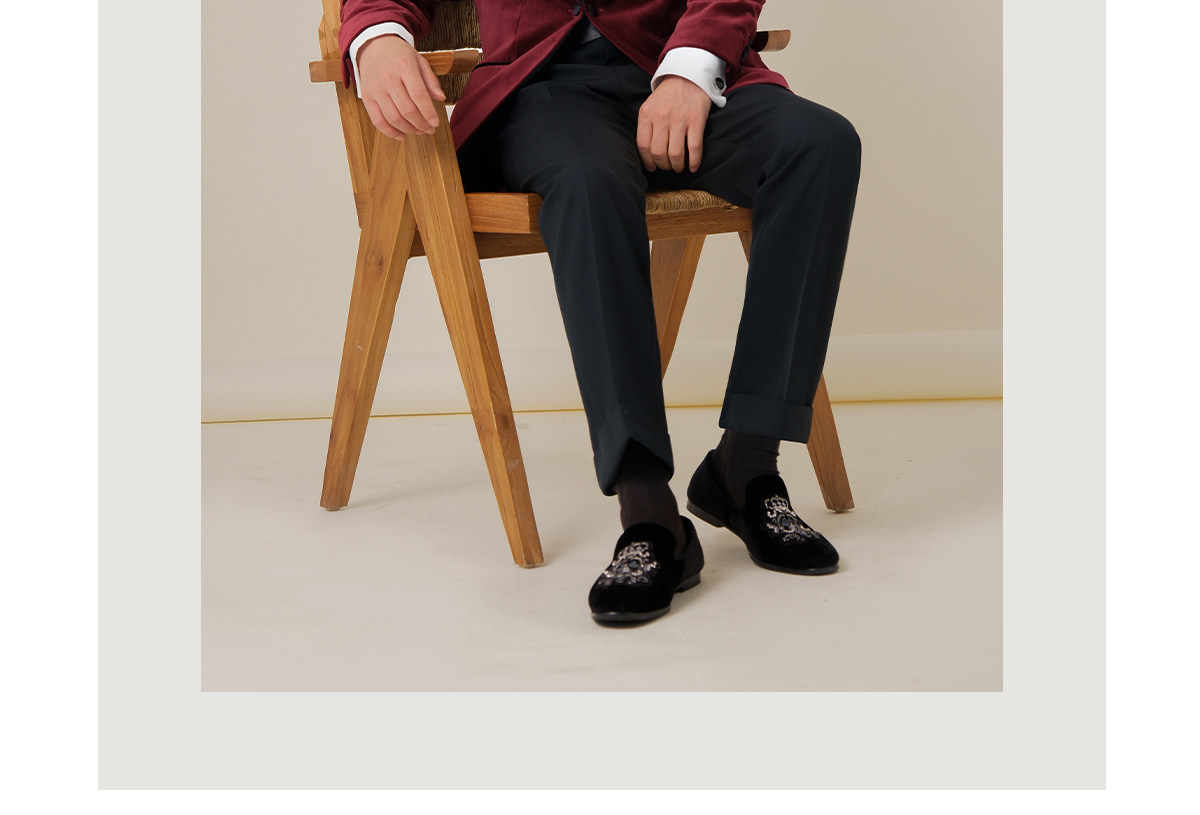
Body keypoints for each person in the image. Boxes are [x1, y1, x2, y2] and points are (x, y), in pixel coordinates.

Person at [337, 0, 861, 624]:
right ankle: (648, 511)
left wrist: (690, 71)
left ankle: (746, 465)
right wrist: (377, 38)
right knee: (589, 181)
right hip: (543, 88)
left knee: (820, 144)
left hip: (681, 70)